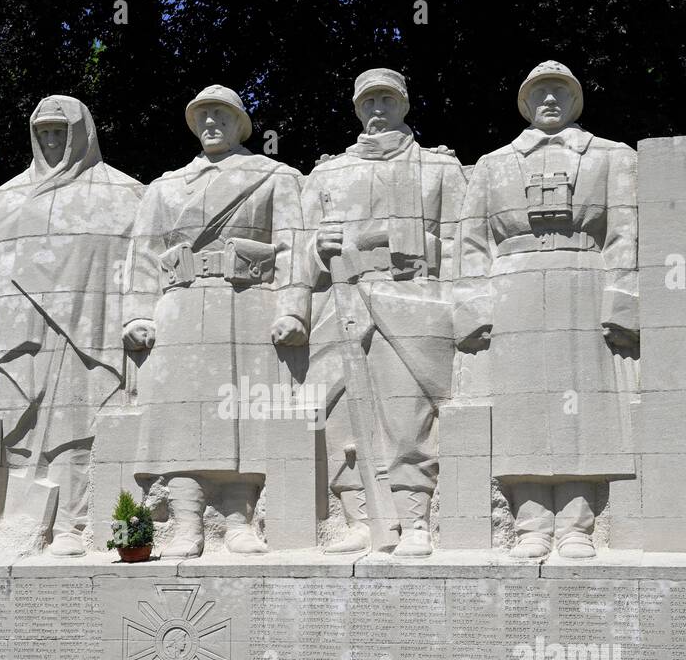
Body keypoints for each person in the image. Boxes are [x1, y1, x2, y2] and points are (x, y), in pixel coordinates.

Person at [455, 61, 639, 559]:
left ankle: (578, 523)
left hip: (583, 276)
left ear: (576, 101)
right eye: (540, 92)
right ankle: (530, 521)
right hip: (511, 285)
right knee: (521, 409)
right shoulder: (493, 163)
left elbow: (626, 232)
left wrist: (622, 298)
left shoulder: (612, 156)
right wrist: (473, 304)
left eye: (560, 91)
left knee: (583, 406)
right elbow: (471, 241)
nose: (550, 100)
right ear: (525, 102)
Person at [123, 84, 309, 557]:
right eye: (202, 115)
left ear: (241, 124)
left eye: (221, 115)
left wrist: (292, 308)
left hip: (246, 303)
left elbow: (293, 245)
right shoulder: (165, 186)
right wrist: (137, 314)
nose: (210, 123)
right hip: (180, 306)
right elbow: (141, 255)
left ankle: (238, 521)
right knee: (180, 418)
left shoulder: (273, 176)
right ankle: (187, 524)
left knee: (242, 416)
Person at [302, 67, 466, 556]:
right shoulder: (327, 173)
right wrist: (316, 247)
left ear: (404, 105)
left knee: (407, 413)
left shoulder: (439, 168)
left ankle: (414, 519)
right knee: (339, 416)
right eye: (368, 101)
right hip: (343, 298)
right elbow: (296, 250)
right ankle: (358, 518)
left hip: (412, 297)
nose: (377, 109)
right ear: (356, 108)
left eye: (387, 100)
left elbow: (465, 241)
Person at [0, 95, 144, 555]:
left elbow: (140, 264)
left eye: (60, 131)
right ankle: (21, 522)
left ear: (81, 134)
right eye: (43, 132)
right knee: (20, 425)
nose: (51, 141)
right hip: (22, 334)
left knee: (77, 427)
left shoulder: (123, 192)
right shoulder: (6, 198)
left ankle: (72, 524)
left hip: (89, 334)